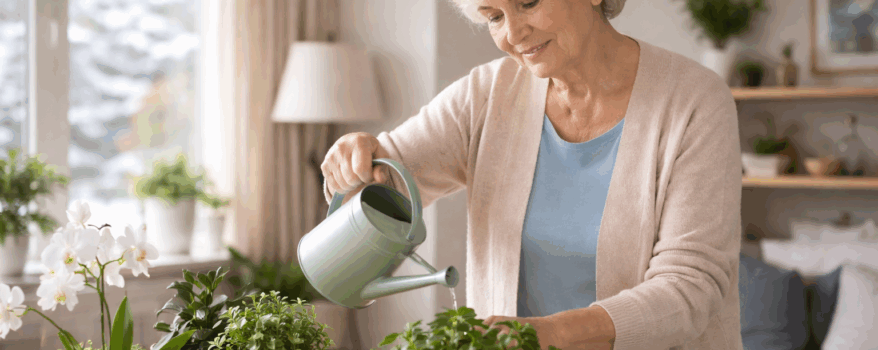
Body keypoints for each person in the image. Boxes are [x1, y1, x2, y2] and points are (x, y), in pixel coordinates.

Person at [320, 0, 743, 349]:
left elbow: (690, 286)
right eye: (494, 17)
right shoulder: (485, 95)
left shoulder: (694, 101)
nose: (513, 33)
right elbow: (385, 176)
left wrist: (552, 334)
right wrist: (352, 160)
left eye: (528, 3)